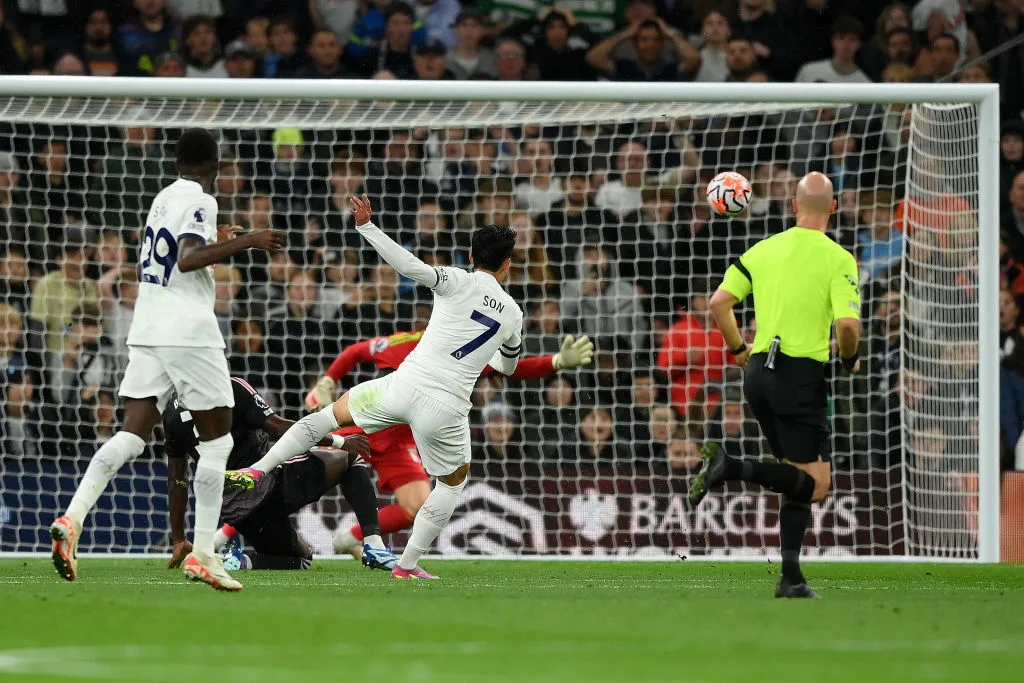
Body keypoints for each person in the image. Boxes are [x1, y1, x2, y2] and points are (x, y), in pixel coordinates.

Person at [226, 195, 523, 580]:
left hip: (402, 385)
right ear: (507, 265)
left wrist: (366, 226)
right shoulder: (513, 313)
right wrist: (493, 359)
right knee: (452, 483)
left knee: (325, 418)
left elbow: (407, 264)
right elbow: (510, 366)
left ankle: (258, 469)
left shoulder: (454, 279)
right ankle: (407, 565)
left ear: (470, 256)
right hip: (446, 407)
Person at [49, 128, 286, 592]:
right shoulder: (202, 197)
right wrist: (248, 241)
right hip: (188, 332)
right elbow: (187, 258)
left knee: (131, 436)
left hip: (148, 327)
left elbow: (178, 251)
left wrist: (218, 239)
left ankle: (72, 519)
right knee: (217, 446)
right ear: (215, 166)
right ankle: (203, 554)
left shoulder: (164, 197)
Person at [689, 172, 862, 599]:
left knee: (794, 476)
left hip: (757, 377)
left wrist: (738, 349)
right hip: (799, 377)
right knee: (818, 486)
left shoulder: (763, 249)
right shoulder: (838, 257)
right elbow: (847, 326)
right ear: (834, 208)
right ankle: (729, 467)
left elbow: (718, 303)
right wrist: (849, 358)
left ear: (793, 206)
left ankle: (791, 578)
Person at [303, 329, 593, 557]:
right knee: (303, 459)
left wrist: (555, 362)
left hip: (402, 439)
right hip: (369, 425)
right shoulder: (409, 343)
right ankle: (265, 501)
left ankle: (350, 537)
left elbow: (511, 368)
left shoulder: (466, 352)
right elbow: (356, 351)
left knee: (417, 507)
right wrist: (327, 382)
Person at [162, 377, 392, 571]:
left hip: (238, 510)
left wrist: (179, 538)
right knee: (350, 460)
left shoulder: (171, 414)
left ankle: (242, 562)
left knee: (302, 560)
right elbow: (278, 428)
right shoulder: (230, 387)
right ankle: (374, 546)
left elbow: (177, 480)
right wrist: (339, 440)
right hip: (271, 482)